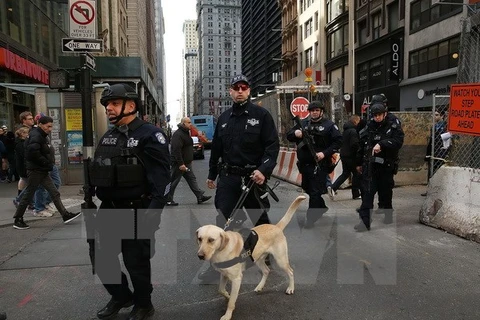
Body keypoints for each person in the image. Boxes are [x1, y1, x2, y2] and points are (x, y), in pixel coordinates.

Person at [89, 83, 170, 320]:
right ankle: (121, 295)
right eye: (107, 105)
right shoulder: (109, 136)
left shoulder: (149, 134)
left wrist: (154, 212)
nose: (109, 109)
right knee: (101, 257)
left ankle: (144, 303)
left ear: (131, 105)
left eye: (114, 104)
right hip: (108, 210)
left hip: (137, 209)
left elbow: (163, 177)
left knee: (136, 261)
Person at [199, 74, 279, 281]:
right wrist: (211, 174)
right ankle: (218, 261)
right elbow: (216, 149)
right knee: (223, 220)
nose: (240, 90)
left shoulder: (262, 116)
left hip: (252, 178)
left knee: (259, 219)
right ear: (230, 91)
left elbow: (272, 147)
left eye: (244, 87)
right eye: (236, 88)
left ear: (249, 90)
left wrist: (263, 170)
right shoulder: (224, 119)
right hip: (228, 179)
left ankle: (265, 252)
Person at [12, 116, 81, 230]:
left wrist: (47, 164)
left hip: (41, 170)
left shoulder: (40, 135)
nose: (50, 129)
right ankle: (18, 219)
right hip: (36, 170)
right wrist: (46, 163)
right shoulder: (36, 135)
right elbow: (32, 153)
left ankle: (65, 215)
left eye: (51, 126)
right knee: (29, 194)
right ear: (40, 124)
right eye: (48, 126)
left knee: (54, 192)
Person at [287, 101, 342, 228]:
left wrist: (324, 153)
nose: (314, 113)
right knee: (308, 188)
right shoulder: (304, 124)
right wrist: (296, 133)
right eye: (312, 111)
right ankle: (321, 207)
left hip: (320, 164)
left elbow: (338, 142)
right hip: (305, 165)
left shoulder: (329, 126)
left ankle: (311, 218)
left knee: (315, 191)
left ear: (321, 111)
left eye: (317, 110)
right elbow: (289, 135)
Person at [355, 103, 404, 231]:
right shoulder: (369, 126)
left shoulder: (392, 126)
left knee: (386, 192)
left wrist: (382, 144)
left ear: (385, 114)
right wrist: (358, 163)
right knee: (367, 193)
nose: (377, 118)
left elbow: (398, 142)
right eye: (375, 115)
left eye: (379, 115)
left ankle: (388, 213)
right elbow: (362, 144)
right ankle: (365, 222)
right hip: (371, 166)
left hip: (386, 166)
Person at [165, 117, 211, 206]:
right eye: (189, 122)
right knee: (173, 181)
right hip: (179, 164)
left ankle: (200, 196)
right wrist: (180, 163)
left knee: (191, 179)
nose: (191, 124)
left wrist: (189, 160)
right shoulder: (178, 135)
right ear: (183, 124)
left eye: (190, 122)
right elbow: (176, 150)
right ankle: (168, 199)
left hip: (186, 163)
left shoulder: (186, 133)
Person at [328, 114, 361, 200]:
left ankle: (333, 188)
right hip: (351, 156)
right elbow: (354, 144)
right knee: (356, 174)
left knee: (345, 173)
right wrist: (358, 152)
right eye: (358, 121)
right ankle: (356, 194)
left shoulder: (345, 131)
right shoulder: (353, 131)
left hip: (344, 155)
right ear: (355, 121)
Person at [422, 110, 449, 196]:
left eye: (437, 115)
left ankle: (439, 191)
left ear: (441, 116)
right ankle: (430, 190)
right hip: (433, 152)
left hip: (442, 152)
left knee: (440, 172)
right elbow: (431, 141)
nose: (435, 117)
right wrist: (428, 153)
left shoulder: (446, 127)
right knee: (431, 172)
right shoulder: (433, 127)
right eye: (434, 115)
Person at [12, 112, 35, 209]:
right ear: (23, 120)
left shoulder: (32, 129)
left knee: (27, 182)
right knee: (31, 183)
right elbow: (22, 151)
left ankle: (23, 200)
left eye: (32, 118)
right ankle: (22, 200)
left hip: (27, 164)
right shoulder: (21, 132)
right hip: (24, 164)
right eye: (29, 119)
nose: (32, 120)